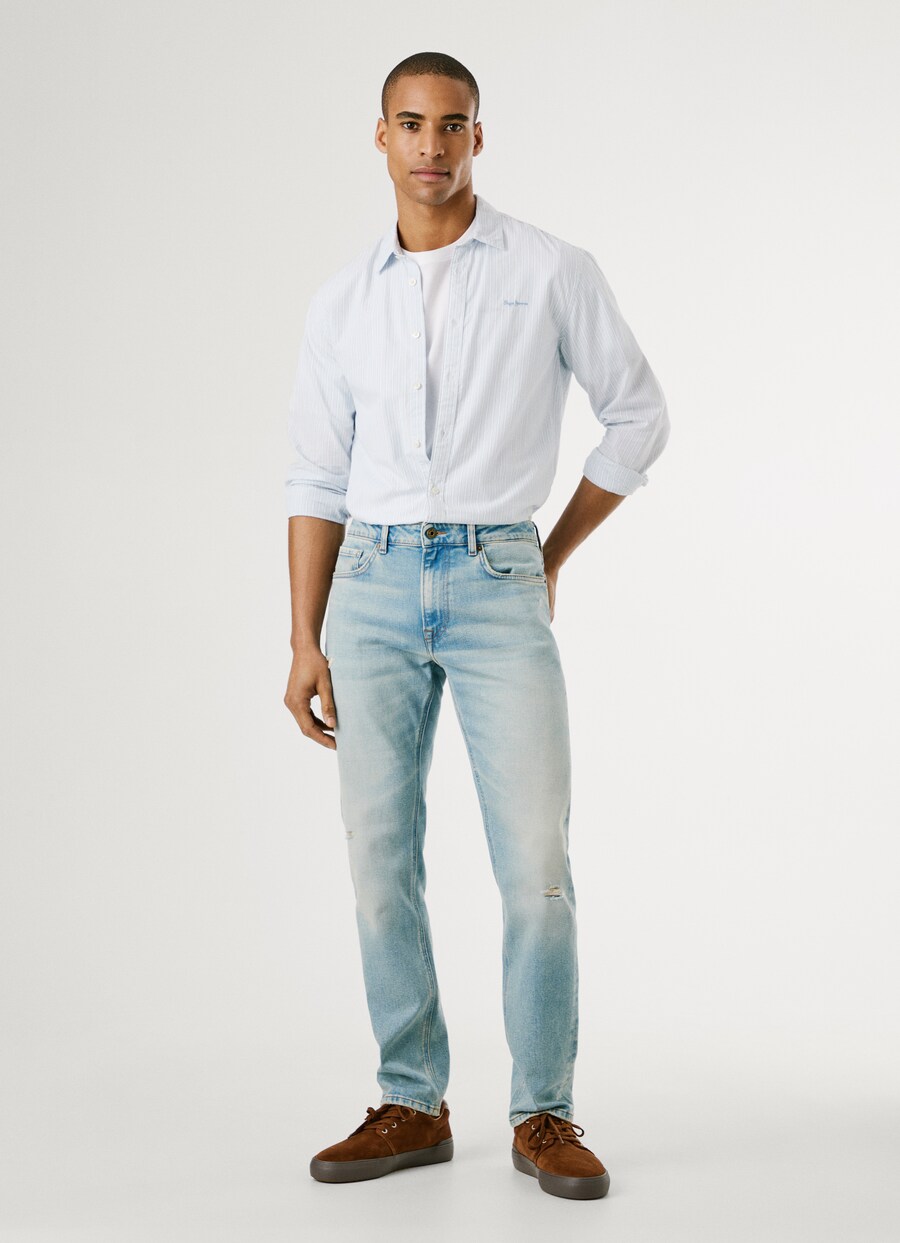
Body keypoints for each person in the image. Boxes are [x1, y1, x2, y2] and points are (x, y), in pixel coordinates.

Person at [283, 50, 669, 1201]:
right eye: (411, 124)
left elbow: (638, 417)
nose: (431, 146)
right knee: (378, 855)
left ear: (478, 137)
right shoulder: (343, 300)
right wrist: (304, 637)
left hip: (498, 574)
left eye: (452, 125)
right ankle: (412, 1099)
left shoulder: (550, 270)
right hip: (370, 583)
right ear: (381, 137)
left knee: (535, 860)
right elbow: (316, 476)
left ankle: (542, 1111)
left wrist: (548, 553)